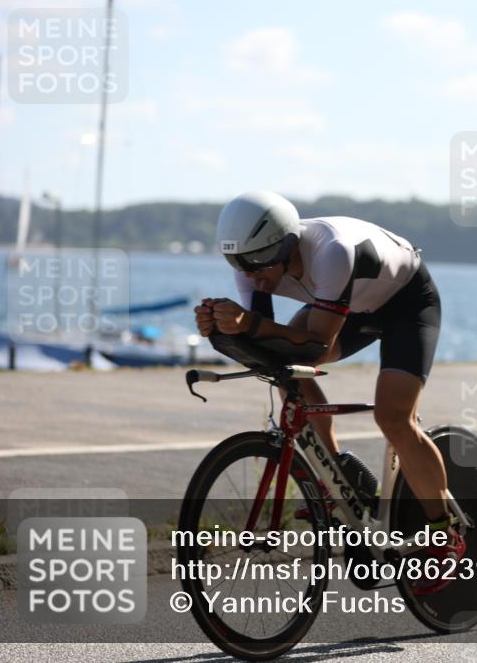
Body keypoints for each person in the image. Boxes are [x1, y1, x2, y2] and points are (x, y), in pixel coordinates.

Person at [194, 191, 462, 595]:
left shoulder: (331, 251)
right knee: (281, 365)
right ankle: (334, 471)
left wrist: (248, 323)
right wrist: (222, 328)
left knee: (393, 417)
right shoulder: (253, 263)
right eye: (238, 263)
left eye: (257, 263)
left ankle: (446, 537)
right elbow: (266, 344)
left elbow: (316, 344)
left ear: (285, 245)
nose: (249, 275)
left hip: (407, 304)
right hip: (349, 306)